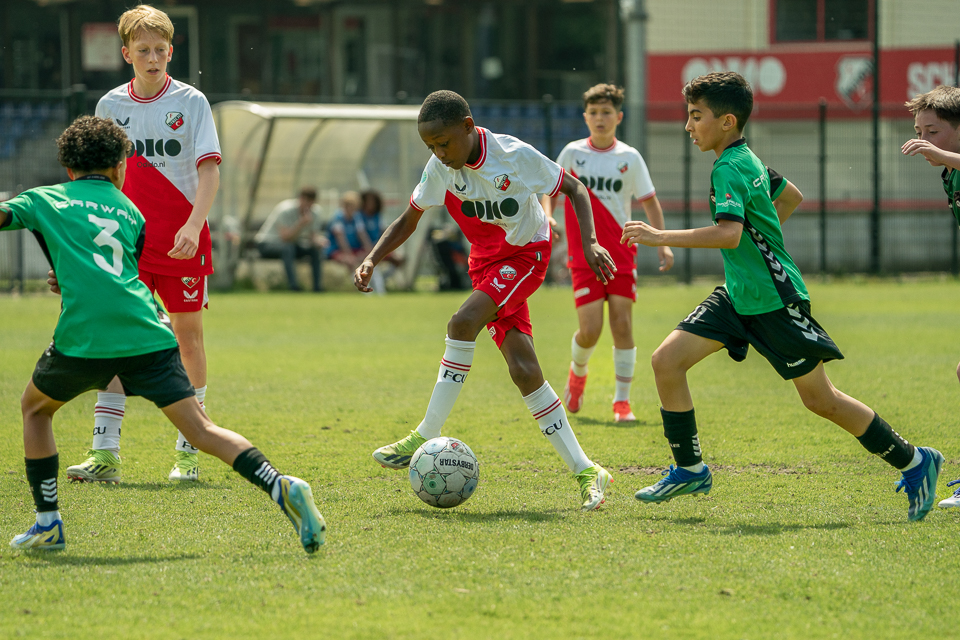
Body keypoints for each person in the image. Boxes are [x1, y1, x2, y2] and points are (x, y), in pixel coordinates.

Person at [622, 72, 943, 521]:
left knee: (821, 400)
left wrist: (659, 236)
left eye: (696, 116)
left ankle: (914, 460)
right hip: (738, 296)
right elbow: (790, 196)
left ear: (727, 121)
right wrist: (764, 240)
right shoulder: (746, 157)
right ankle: (690, 469)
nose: (688, 126)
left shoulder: (728, 167)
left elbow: (730, 235)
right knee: (666, 362)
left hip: (773, 301)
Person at [2, 116, 325, 553]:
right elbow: (119, 271)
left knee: (36, 410)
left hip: (86, 337)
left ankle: (48, 523)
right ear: (121, 166)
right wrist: (71, 275)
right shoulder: (130, 211)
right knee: (202, 430)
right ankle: (280, 484)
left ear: (68, 169)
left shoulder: (45, 198)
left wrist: (67, 277)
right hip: (149, 333)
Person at [355, 90, 616, 511]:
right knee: (524, 370)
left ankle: (425, 432)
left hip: (526, 255)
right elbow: (410, 218)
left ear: (467, 126)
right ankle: (588, 470)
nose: (439, 154)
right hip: (486, 266)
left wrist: (589, 242)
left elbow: (576, 189)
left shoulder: (512, 155)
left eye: (444, 143)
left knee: (462, 322)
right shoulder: (440, 168)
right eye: (431, 147)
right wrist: (372, 257)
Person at [67, 5, 221, 483]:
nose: (152, 58)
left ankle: (189, 451)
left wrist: (193, 226)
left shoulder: (192, 102)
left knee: (187, 340)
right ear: (126, 54)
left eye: (160, 50)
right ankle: (105, 453)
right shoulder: (109, 106)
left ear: (171, 51)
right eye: (143, 51)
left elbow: (209, 171)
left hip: (183, 240)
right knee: (114, 337)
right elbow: (98, 180)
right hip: (126, 242)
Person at [542, 83, 675, 423]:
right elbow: (550, 191)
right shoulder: (572, 153)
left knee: (622, 325)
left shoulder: (629, 157)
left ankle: (622, 403)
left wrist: (662, 241)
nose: (600, 118)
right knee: (590, 330)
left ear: (619, 117)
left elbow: (649, 202)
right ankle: (577, 374)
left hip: (621, 253)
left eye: (606, 112)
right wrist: (548, 216)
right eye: (594, 112)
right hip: (584, 255)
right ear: (585, 117)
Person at [902, 84, 960, 509]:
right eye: (919, 131)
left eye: (933, 131)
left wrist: (942, 154)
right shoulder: (950, 172)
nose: (923, 140)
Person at [255, 186, 327, 292]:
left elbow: (312, 237)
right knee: (288, 248)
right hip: (267, 244)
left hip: (292, 245)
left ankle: (317, 288)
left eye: (311, 203)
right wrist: (301, 224)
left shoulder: (315, 212)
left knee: (314, 251)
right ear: (300, 199)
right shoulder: (285, 209)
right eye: (306, 201)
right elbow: (285, 238)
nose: (308, 206)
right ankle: (293, 286)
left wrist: (319, 242)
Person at [327, 191, 372, 270]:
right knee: (350, 261)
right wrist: (349, 255)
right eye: (349, 206)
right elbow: (341, 239)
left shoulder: (356, 217)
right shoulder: (338, 218)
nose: (352, 209)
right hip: (337, 250)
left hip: (354, 249)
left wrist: (370, 252)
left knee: (367, 258)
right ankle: (355, 277)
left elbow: (362, 235)